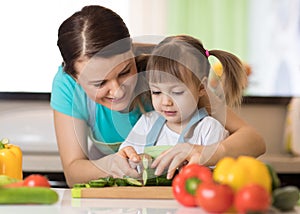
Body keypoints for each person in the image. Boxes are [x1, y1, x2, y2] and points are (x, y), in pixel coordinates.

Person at [51, 5, 266, 187]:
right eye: (100, 83)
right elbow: (73, 172)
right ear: (75, 78)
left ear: (132, 51)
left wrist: (204, 152)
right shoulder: (66, 86)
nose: (117, 90)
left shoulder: (166, 68)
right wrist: (110, 165)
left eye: (125, 71)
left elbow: (254, 140)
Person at [118, 35, 243, 177]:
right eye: (157, 92)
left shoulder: (209, 129)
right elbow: (125, 160)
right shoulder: (147, 122)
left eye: (177, 92)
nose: (166, 102)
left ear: (201, 87)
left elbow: (217, 176)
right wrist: (133, 159)